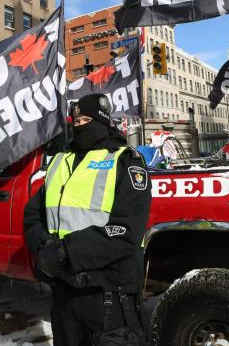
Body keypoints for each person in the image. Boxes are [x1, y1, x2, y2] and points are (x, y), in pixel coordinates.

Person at [24, 93, 152, 346]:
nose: (78, 125)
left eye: (85, 120)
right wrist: (44, 247)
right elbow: (33, 214)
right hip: (64, 288)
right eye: (75, 120)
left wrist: (67, 251)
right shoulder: (61, 160)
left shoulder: (126, 161)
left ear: (102, 122)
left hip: (107, 292)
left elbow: (127, 229)